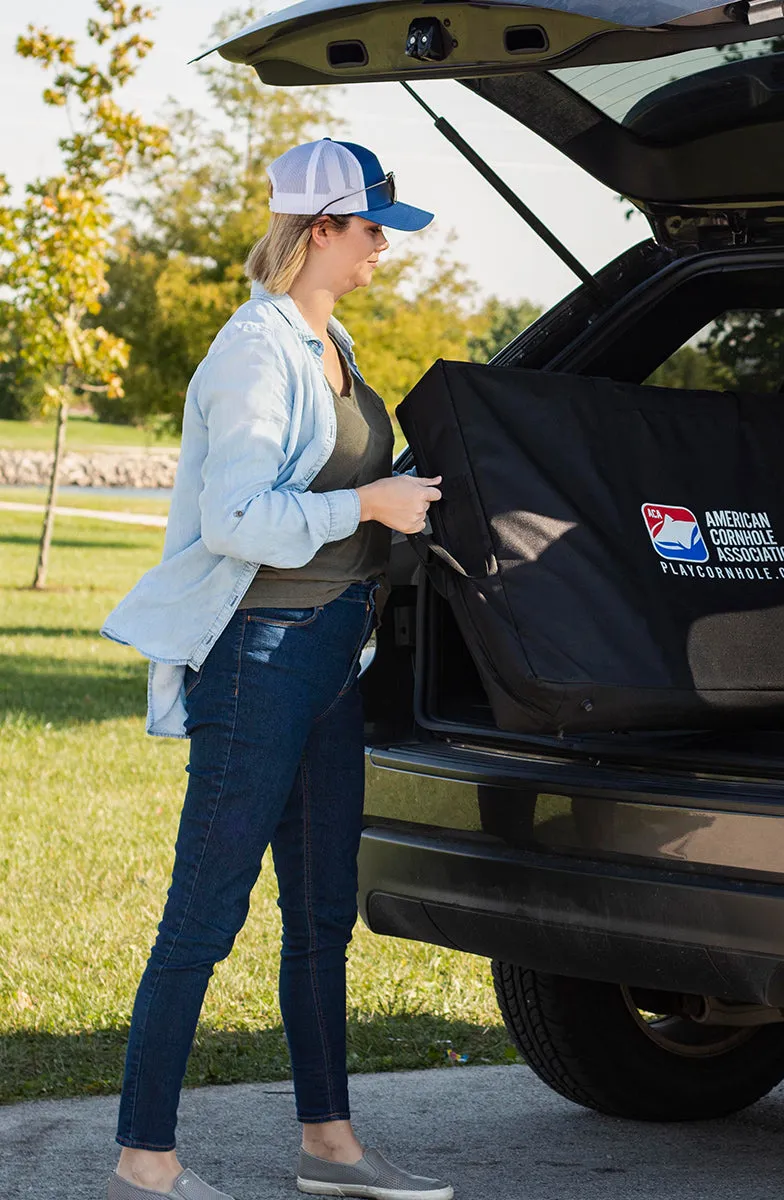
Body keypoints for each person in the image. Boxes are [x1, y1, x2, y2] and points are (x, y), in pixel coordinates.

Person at [100, 138, 451, 1200]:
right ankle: (144, 1161)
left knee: (321, 915)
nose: (385, 246)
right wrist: (368, 506)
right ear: (316, 232)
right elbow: (237, 517)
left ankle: (330, 1146)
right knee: (205, 915)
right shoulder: (255, 351)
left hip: (331, 657)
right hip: (258, 659)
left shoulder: (331, 342)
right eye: (370, 227)